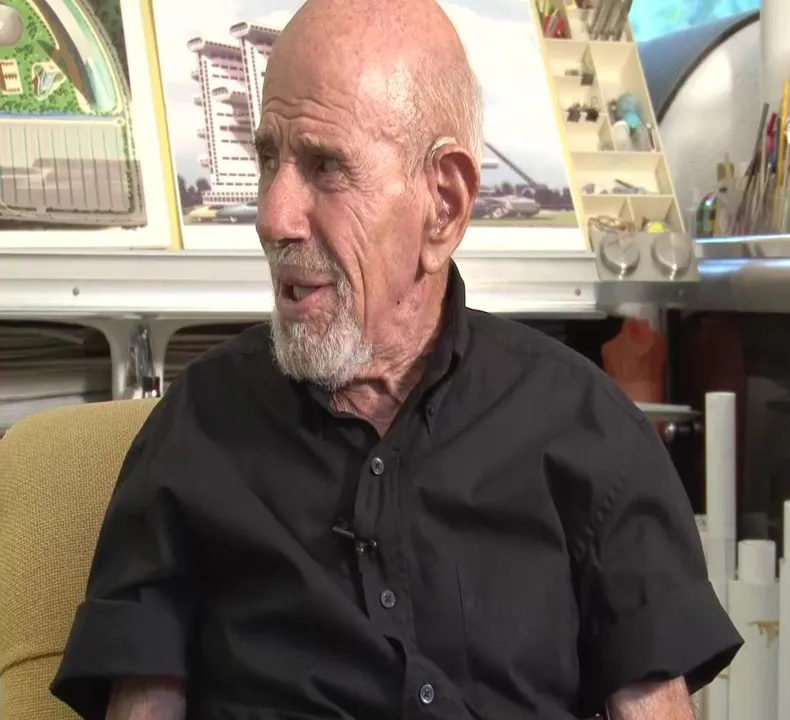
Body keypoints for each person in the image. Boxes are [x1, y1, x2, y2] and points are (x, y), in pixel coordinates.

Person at [51, 1, 742, 717]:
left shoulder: (588, 432)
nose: (272, 217)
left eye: (325, 167)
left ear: (443, 205)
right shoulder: (197, 429)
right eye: (268, 160)